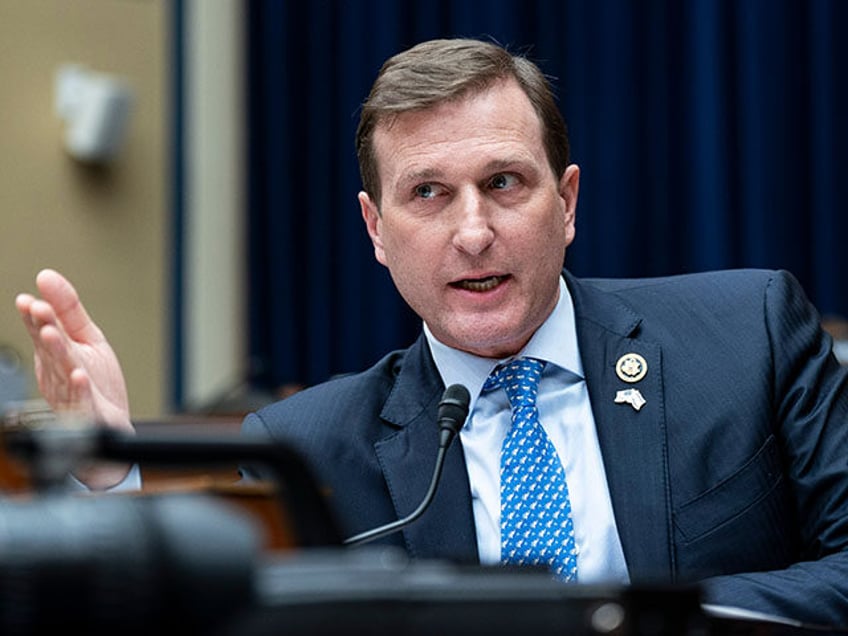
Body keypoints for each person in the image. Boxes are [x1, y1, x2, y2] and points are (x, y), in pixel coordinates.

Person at [15, 38, 848, 627]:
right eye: (428, 195)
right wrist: (113, 474)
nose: (474, 232)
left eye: (504, 182)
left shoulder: (748, 335)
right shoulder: (309, 446)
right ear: (375, 230)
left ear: (567, 203)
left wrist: (648, 623)